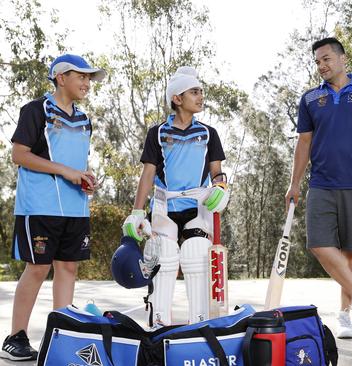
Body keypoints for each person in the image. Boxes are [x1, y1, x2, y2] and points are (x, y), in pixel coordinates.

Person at [285, 37, 352, 338]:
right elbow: (304, 141)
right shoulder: (309, 99)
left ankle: (347, 316)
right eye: (317, 62)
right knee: (318, 244)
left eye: (326, 59)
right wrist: (294, 183)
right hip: (321, 183)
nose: (321, 66)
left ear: (343, 58)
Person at [1, 54, 105, 361]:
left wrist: (84, 177)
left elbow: (76, 162)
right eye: (81, 76)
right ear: (61, 78)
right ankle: (15, 338)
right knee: (37, 269)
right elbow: (19, 155)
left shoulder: (85, 119)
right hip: (40, 205)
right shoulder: (35, 110)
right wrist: (65, 170)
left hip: (76, 208)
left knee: (68, 268)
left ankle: (63, 333)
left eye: (89, 78)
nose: (87, 83)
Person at [121, 66, 228, 327]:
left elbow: (217, 173)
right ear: (177, 98)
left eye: (201, 91)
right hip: (165, 205)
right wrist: (136, 213)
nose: (201, 96)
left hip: (198, 206)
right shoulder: (157, 133)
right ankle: (159, 326)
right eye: (194, 92)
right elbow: (147, 174)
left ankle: (201, 326)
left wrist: (221, 189)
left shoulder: (208, 133)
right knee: (164, 257)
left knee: (196, 255)